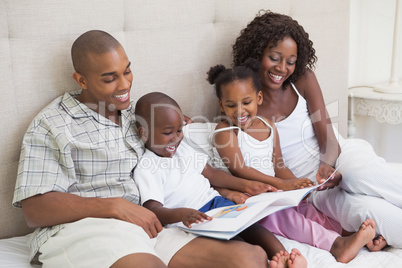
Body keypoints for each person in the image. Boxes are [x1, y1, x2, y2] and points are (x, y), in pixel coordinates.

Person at [12, 30, 273, 268]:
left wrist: (230, 187)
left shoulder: (140, 113)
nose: (125, 85)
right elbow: (35, 209)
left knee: (249, 259)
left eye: (127, 71)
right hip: (89, 228)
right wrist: (114, 206)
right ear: (81, 80)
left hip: (153, 223)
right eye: (109, 78)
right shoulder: (52, 124)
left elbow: (181, 157)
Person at [230, 10, 401, 250]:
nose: (282, 68)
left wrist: (329, 165)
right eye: (274, 58)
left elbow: (327, 135)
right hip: (313, 190)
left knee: (359, 175)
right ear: (257, 53)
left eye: (290, 61)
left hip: (339, 156)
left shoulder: (302, 80)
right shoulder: (245, 103)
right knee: (377, 215)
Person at [207, 58, 378, 263]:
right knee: (287, 219)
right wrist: (282, 184)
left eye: (246, 102)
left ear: (259, 97)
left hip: (274, 191)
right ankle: (337, 246)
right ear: (221, 105)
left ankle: (349, 235)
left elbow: (279, 165)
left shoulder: (268, 125)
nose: (240, 111)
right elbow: (239, 169)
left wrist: (297, 185)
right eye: (230, 105)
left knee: (307, 209)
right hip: (249, 196)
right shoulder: (224, 131)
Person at [133, 91, 307, 268]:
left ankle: (282, 256)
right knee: (235, 241)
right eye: (168, 132)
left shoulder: (183, 149)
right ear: (144, 134)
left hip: (216, 203)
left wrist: (248, 185)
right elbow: (153, 208)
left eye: (179, 130)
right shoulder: (147, 166)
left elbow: (212, 174)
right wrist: (182, 213)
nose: (177, 138)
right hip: (192, 221)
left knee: (251, 226)